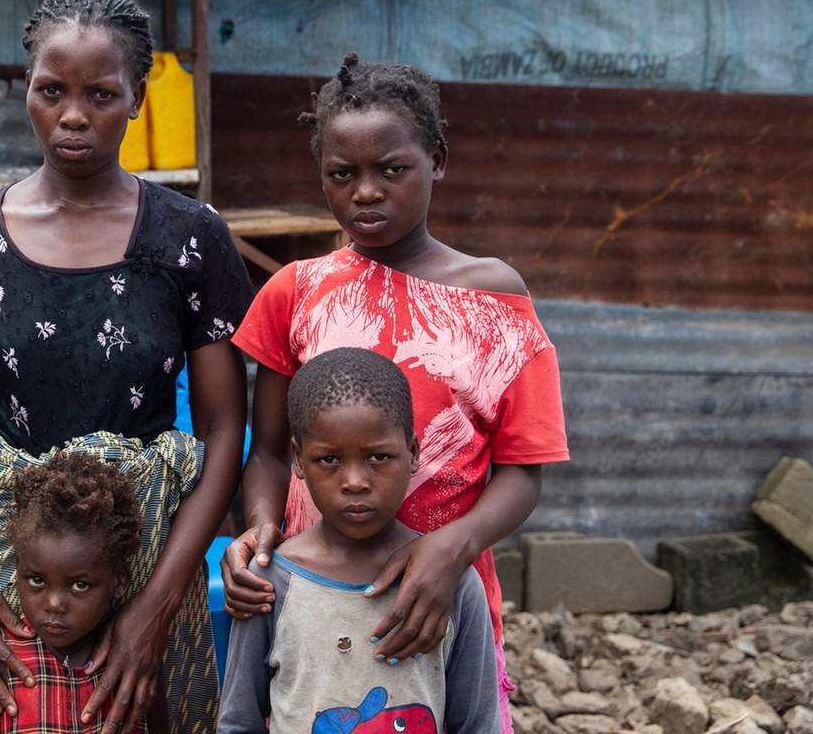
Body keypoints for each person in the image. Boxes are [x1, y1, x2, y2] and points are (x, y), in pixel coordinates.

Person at [0, 0, 255, 734]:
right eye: (52, 90)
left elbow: (225, 429)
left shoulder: (191, 237)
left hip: (148, 550)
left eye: (100, 93)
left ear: (137, 96)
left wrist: (162, 597)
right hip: (10, 553)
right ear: (26, 90)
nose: (74, 115)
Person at [222, 53, 568, 732]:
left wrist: (454, 546)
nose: (366, 192)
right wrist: (259, 534)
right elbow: (266, 451)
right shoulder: (295, 292)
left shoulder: (494, 298)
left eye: (391, 170)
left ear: (436, 158)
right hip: (314, 605)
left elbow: (523, 472)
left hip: (436, 600)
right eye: (341, 174)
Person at [218, 347, 498, 734]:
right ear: (298, 459)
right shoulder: (270, 583)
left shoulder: (450, 583)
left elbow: (477, 724)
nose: (354, 481)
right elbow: (239, 722)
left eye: (378, 457)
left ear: (413, 452)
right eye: (329, 460)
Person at [0, 452, 171, 734]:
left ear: (119, 581)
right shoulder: (1, 660)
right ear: (18, 570)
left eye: (79, 585)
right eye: (36, 580)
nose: (53, 604)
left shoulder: (133, 659)